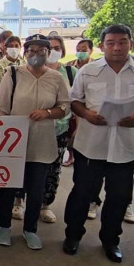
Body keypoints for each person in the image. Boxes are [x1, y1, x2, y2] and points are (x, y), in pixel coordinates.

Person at [63, 24, 134, 263]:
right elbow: (74, 101)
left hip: (124, 147)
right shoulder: (88, 72)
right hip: (91, 145)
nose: (117, 47)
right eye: (111, 43)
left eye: (122, 42)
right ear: (102, 46)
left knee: (118, 197)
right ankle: (73, 236)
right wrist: (87, 114)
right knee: (81, 194)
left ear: (131, 44)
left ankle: (111, 241)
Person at [0, 34, 70, 250]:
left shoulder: (56, 78)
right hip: (14, 142)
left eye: (41, 51)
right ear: (25, 52)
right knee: (8, 187)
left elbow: (65, 107)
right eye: (31, 51)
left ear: (48, 53)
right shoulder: (13, 74)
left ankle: (30, 229)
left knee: (36, 189)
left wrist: (48, 113)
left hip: (42, 141)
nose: (35, 55)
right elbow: (2, 107)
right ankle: (4, 227)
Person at [41, 36, 78, 224]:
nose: (53, 51)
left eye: (57, 47)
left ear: (62, 50)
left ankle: (45, 205)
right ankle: (19, 200)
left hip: (60, 129)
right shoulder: (31, 72)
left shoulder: (71, 73)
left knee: (54, 168)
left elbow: (77, 101)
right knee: (27, 168)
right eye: (50, 48)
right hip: (35, 128)